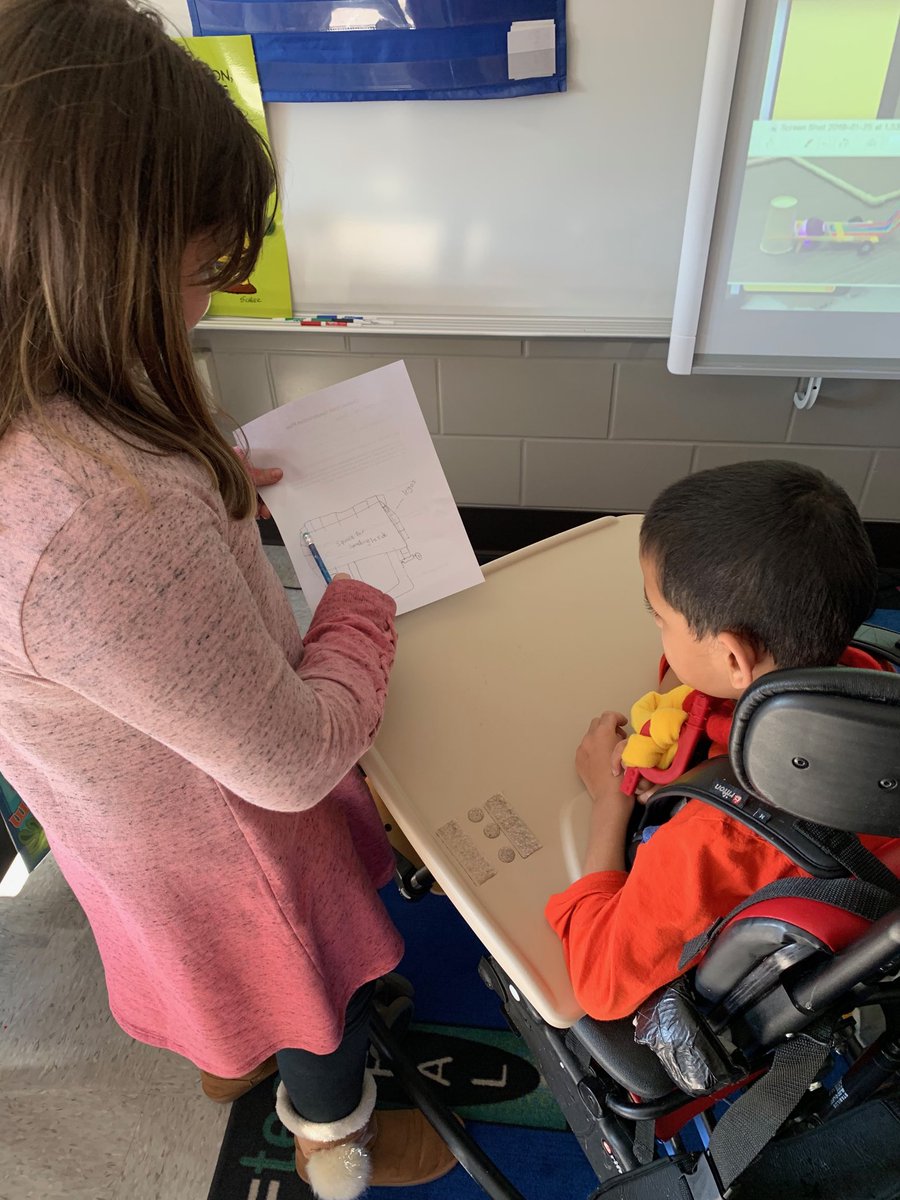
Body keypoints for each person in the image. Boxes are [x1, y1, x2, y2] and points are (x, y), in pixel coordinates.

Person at [0, 2, 454, 1197]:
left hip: (116, 819)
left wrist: (201, 488)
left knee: (222, 973)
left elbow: (80, 600)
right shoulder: (97, 518)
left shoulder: (44, 422)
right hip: (231, 842)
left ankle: (226, 1054)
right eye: (205, 268)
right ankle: (335, 1146)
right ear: (95, 258)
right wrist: (364, 596)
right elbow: (296, 762)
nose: (208, 301)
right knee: (309, 997)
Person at [546, 460, 899, 1022]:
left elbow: (599, 984)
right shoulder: (863, 673)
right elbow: (699, 667)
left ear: (735, 658)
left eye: (658, 615)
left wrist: (606, 805)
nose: (657, 629)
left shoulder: (712, 840)